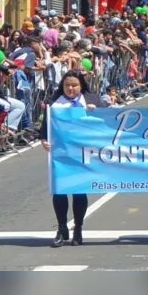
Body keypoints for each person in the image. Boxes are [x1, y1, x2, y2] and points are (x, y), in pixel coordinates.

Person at [40, 71, 99, 247]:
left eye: (74, 85)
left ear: (81, 86)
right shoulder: (54, 103)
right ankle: (61, 228)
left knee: (79, 191)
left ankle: (78, 228)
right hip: (61, 152)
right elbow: (45, 127)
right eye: (67, 85)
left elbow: (108, 122)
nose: (70, 89)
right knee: (59, 190)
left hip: (83, 152)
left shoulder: (91, 100)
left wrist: (95, 112)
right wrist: (43, 139)